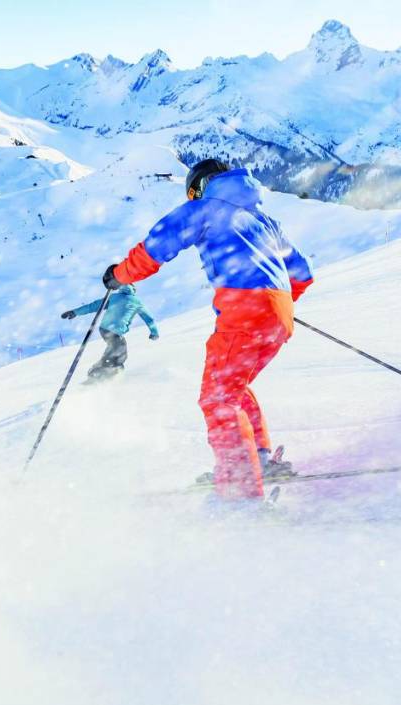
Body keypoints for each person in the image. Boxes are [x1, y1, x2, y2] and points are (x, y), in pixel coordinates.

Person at [101, 159, 315, 501]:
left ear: (201, 186)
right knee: (234, 388)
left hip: (244, 314)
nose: (192, 198)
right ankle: (258, 461)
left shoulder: (204, 209)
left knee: (219, 399)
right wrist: (275, 304)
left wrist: (118, 276)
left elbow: (156, 248)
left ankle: (239, 492)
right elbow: (302, 274)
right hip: (278, 316)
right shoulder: (264, 220)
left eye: (192, 192)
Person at [61, 284, 158, 382]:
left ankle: (100, 373)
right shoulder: (136, 301)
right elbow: (149, 319)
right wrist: (154, 332)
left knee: (114, 351)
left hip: (104, 329)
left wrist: (75, 312)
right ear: (134, 290)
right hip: (115, 332)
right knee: (119, 355)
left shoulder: (113, 297)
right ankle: (102, 376)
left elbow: (93, 306)